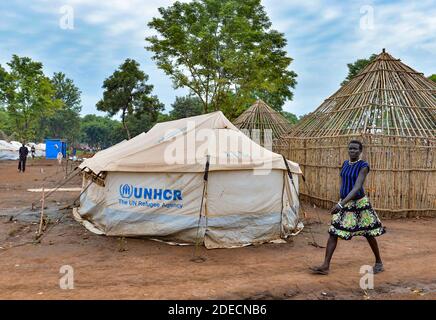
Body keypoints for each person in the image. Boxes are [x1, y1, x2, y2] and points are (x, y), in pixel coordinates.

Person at [310, 140, 386, 275]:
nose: (352, 151)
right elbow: (344, 182)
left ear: (360, 151)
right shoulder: (345, 164)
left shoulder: (363, 166)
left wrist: (340, 204)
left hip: (359, 204)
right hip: (345, 203)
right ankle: (325, 265)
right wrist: (342, 200)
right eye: (350, 148)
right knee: (333, 232)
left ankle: (379, 262)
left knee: (368, 233)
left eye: (356, 149)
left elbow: (357, 188)